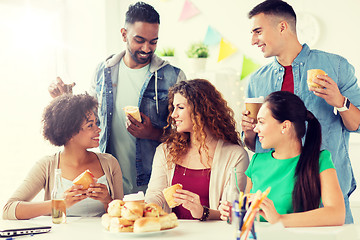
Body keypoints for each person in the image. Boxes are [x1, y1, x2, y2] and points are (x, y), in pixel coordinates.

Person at [48, 2, 186, 195]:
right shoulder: (103, 71)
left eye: (153, 41)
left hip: (156, 183)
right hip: (110, 182)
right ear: (123, 34)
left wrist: (153, 133)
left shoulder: (173, 76)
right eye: (139, 40)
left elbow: (188, 135)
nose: (147, 48)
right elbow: (90, 119)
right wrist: (65, 99)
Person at [241, 0, 360, 224]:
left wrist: (340, 101)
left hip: (327, 196)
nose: (253, 40)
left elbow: (358, 124)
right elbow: (255, 144)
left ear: (282, 27)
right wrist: (248, 130)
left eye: (258, 31)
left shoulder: (336, 66)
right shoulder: (256, 81)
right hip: (276, 202)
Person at [221, 91, 345, 227]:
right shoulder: (256, 161)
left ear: (285, 126)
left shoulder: (320, 161)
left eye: (261, 122)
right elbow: (251, 215)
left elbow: (337, 214)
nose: (255, 129)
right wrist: (235, 212)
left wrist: (280, 219)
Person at [2, 94, 123, 220]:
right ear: (69, 133)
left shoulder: (110, 163)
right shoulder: (46, 166)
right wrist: (60, 203)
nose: (98, 130)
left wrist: (107, 200)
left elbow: (122, 216)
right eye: (90, 125)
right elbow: (8, 210)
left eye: (96, 124)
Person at [145, 79, 249, 220]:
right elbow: (156, 194)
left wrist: (202, 212)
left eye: (180, 107)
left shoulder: (235, 155)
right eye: (173, 108)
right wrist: (142, 207)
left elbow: (230, 212)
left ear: (200, 110)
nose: (173, 114)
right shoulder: (165, 151)